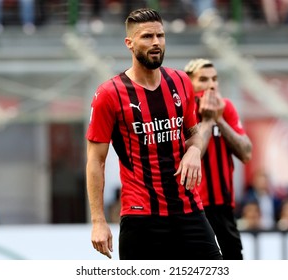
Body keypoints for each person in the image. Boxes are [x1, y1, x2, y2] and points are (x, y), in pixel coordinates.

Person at [85, 8, 222, 260]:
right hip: (141, 218)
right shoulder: (109, 94)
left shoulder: (181, 82)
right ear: (129, 43)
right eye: (147, 36)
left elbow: (193, 134)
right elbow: (96, 161)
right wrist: (98, 221)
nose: (156, 42)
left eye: (160, 35)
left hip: (189, 210)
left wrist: (193, 150)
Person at [184, 58, 252, 259]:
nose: (211, 85)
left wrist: (219, 119)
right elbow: (193, 155)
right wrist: (207, 121)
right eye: (203, 80)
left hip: (224, 207)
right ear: (190, 84)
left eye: (215, 79)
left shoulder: (226, 107)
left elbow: (246, 153)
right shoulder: (184, 112)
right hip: (194, 209)